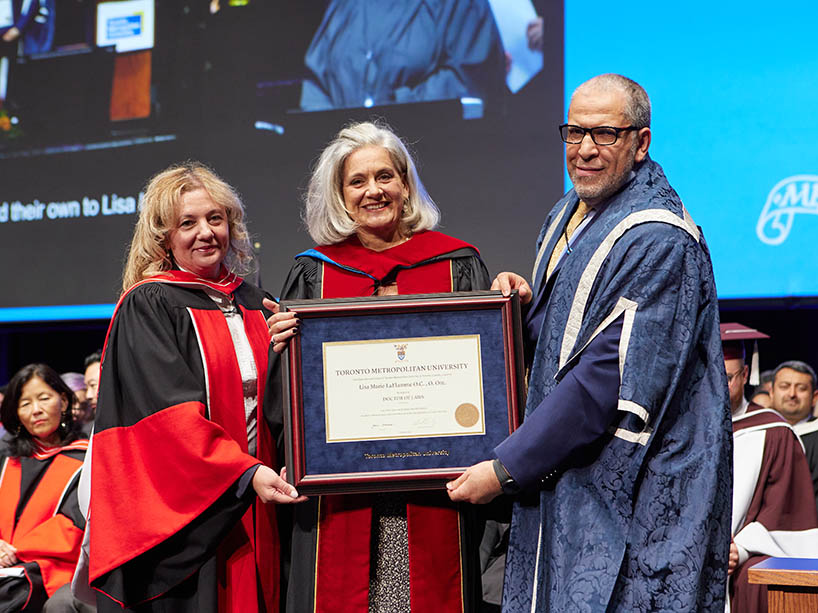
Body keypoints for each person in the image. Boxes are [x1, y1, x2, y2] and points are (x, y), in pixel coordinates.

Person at [447, 73, 732, 611]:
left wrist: (505, 469)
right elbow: (566, 340)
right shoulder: (569, 213)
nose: (584, 150)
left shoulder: (658, 238)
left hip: (630, 492)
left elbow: (605, 378)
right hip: (566, 476)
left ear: (640, 142)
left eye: (604, 134)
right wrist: (521, 310)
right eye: (574, 132)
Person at [265, 121, 491, 612]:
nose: (374, 191)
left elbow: (489, 372)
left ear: (405, 185)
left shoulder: (457, 265)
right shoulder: (314, 273)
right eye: (357, 181)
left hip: (436, 488)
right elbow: (289, 394)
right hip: (339, 495)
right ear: (340, 196)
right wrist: (277, 347)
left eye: (386, 176)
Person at [81, 163, 305, 613]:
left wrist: (292, 350)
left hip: (266, 500)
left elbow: (282, 407)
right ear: (164, 236)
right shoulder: (151, 304)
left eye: (215, 219)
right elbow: (165, 420)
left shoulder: (254, 303)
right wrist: (243, 473)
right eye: (188, 223)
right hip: (194, 513)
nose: (206, 232)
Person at [721, 325, 818, 612]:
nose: (718, 385)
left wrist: (742, 547)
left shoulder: (773, 432)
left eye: (727, 377)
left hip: (741, 559)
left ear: (745, 374)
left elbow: (786, 509)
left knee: (758, 581)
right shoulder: (682, 430)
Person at [300, 0, 505, 111]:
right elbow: (316, 80)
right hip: (350, 160)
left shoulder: (460, 5)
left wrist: (389, 112)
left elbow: (467, 80)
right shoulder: (345, 5)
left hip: (431, 153)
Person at [0, 363, 88, 613]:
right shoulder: (7, 459)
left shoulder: (85, 460)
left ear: (63, 400)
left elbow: (74, 528)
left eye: (44, 398)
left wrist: (14, 552)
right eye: (25, 403)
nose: (35, 410)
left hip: (51, 569)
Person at [783, 361, 818, 514]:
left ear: (814, 397)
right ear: (771, 392)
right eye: (784, 386)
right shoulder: (759, 432)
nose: (792, 394)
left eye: (801, 388)